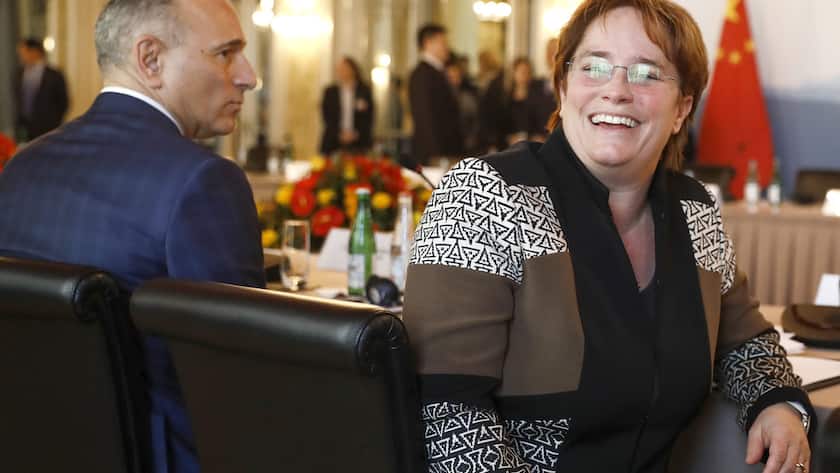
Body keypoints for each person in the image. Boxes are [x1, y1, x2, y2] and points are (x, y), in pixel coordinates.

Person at [403, 1, 814, 472]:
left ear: (682, 109)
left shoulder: (693, 209)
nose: (616, 90)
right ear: (562, 88)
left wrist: (778, 403)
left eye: (646, 73)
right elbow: (447, 416)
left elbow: (746, 341)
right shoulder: (485, 194)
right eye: (594, 67)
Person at [0, 1, 264, 472]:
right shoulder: (202, 181)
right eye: (226, 54)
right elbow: (244, 382)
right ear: (150, 60)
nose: (248, 75)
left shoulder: (22, 167)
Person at [409, 23, 463, 165]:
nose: (447, 47)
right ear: (428, 43)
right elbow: (425, 116)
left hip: (448, 150)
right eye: (443, 42)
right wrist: (436, 155)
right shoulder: (422, 74)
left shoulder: (439, 72)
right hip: (435, 154)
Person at [14, 37, 69, 141]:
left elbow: (64, 102)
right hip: (25, 129)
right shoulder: (19, 74)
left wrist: (54, 124)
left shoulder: (54, 75)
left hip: (48, 130)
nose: (21, 56)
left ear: (34, 51)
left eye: (23, 52)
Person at [319, 56, 374, 155]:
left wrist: (356, 134)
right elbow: (326, 116)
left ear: (353, 70)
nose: (342, 71)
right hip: (333, 141)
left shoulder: (364, 91)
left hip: (359, 142)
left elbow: (370, 117)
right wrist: (339, 134)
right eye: (339, 69)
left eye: (345, 68)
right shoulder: (330, 92)